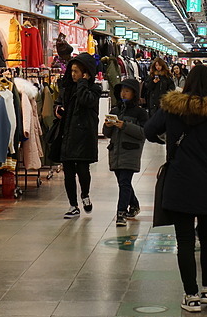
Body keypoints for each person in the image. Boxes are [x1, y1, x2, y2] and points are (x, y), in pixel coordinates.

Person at [144, 65, 207, 313]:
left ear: (187, 83)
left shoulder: (172, 106)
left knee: (185, 240)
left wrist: (169, 141)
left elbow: (149, 130)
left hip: (180, 180)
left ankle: (191, 295)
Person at [55, 52, 102, 219]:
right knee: (68, 171)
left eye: (77, 71)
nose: (73, 74)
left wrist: (83, 82)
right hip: (68, 133)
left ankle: (85, 195)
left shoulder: (95, 89)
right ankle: (73, 205)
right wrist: (58, 108)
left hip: (83, 136)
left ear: (86, 72)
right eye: (72, 71)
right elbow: (59, 102)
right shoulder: (67, 87)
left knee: (83, 169)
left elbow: (85, 101)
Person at [103, 77, 148, 227]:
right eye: (122, 90)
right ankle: (134, 205)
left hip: (131, 151)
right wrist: (108, 125)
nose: (123, 94)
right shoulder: (115, 110)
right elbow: (107, 133)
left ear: (134, 93)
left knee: (124, 182)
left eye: (127, 91)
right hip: (115, 151)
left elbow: (143, 133)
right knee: (123, 183)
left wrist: (124, 126)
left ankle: (121, 213)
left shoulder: (140, 113)